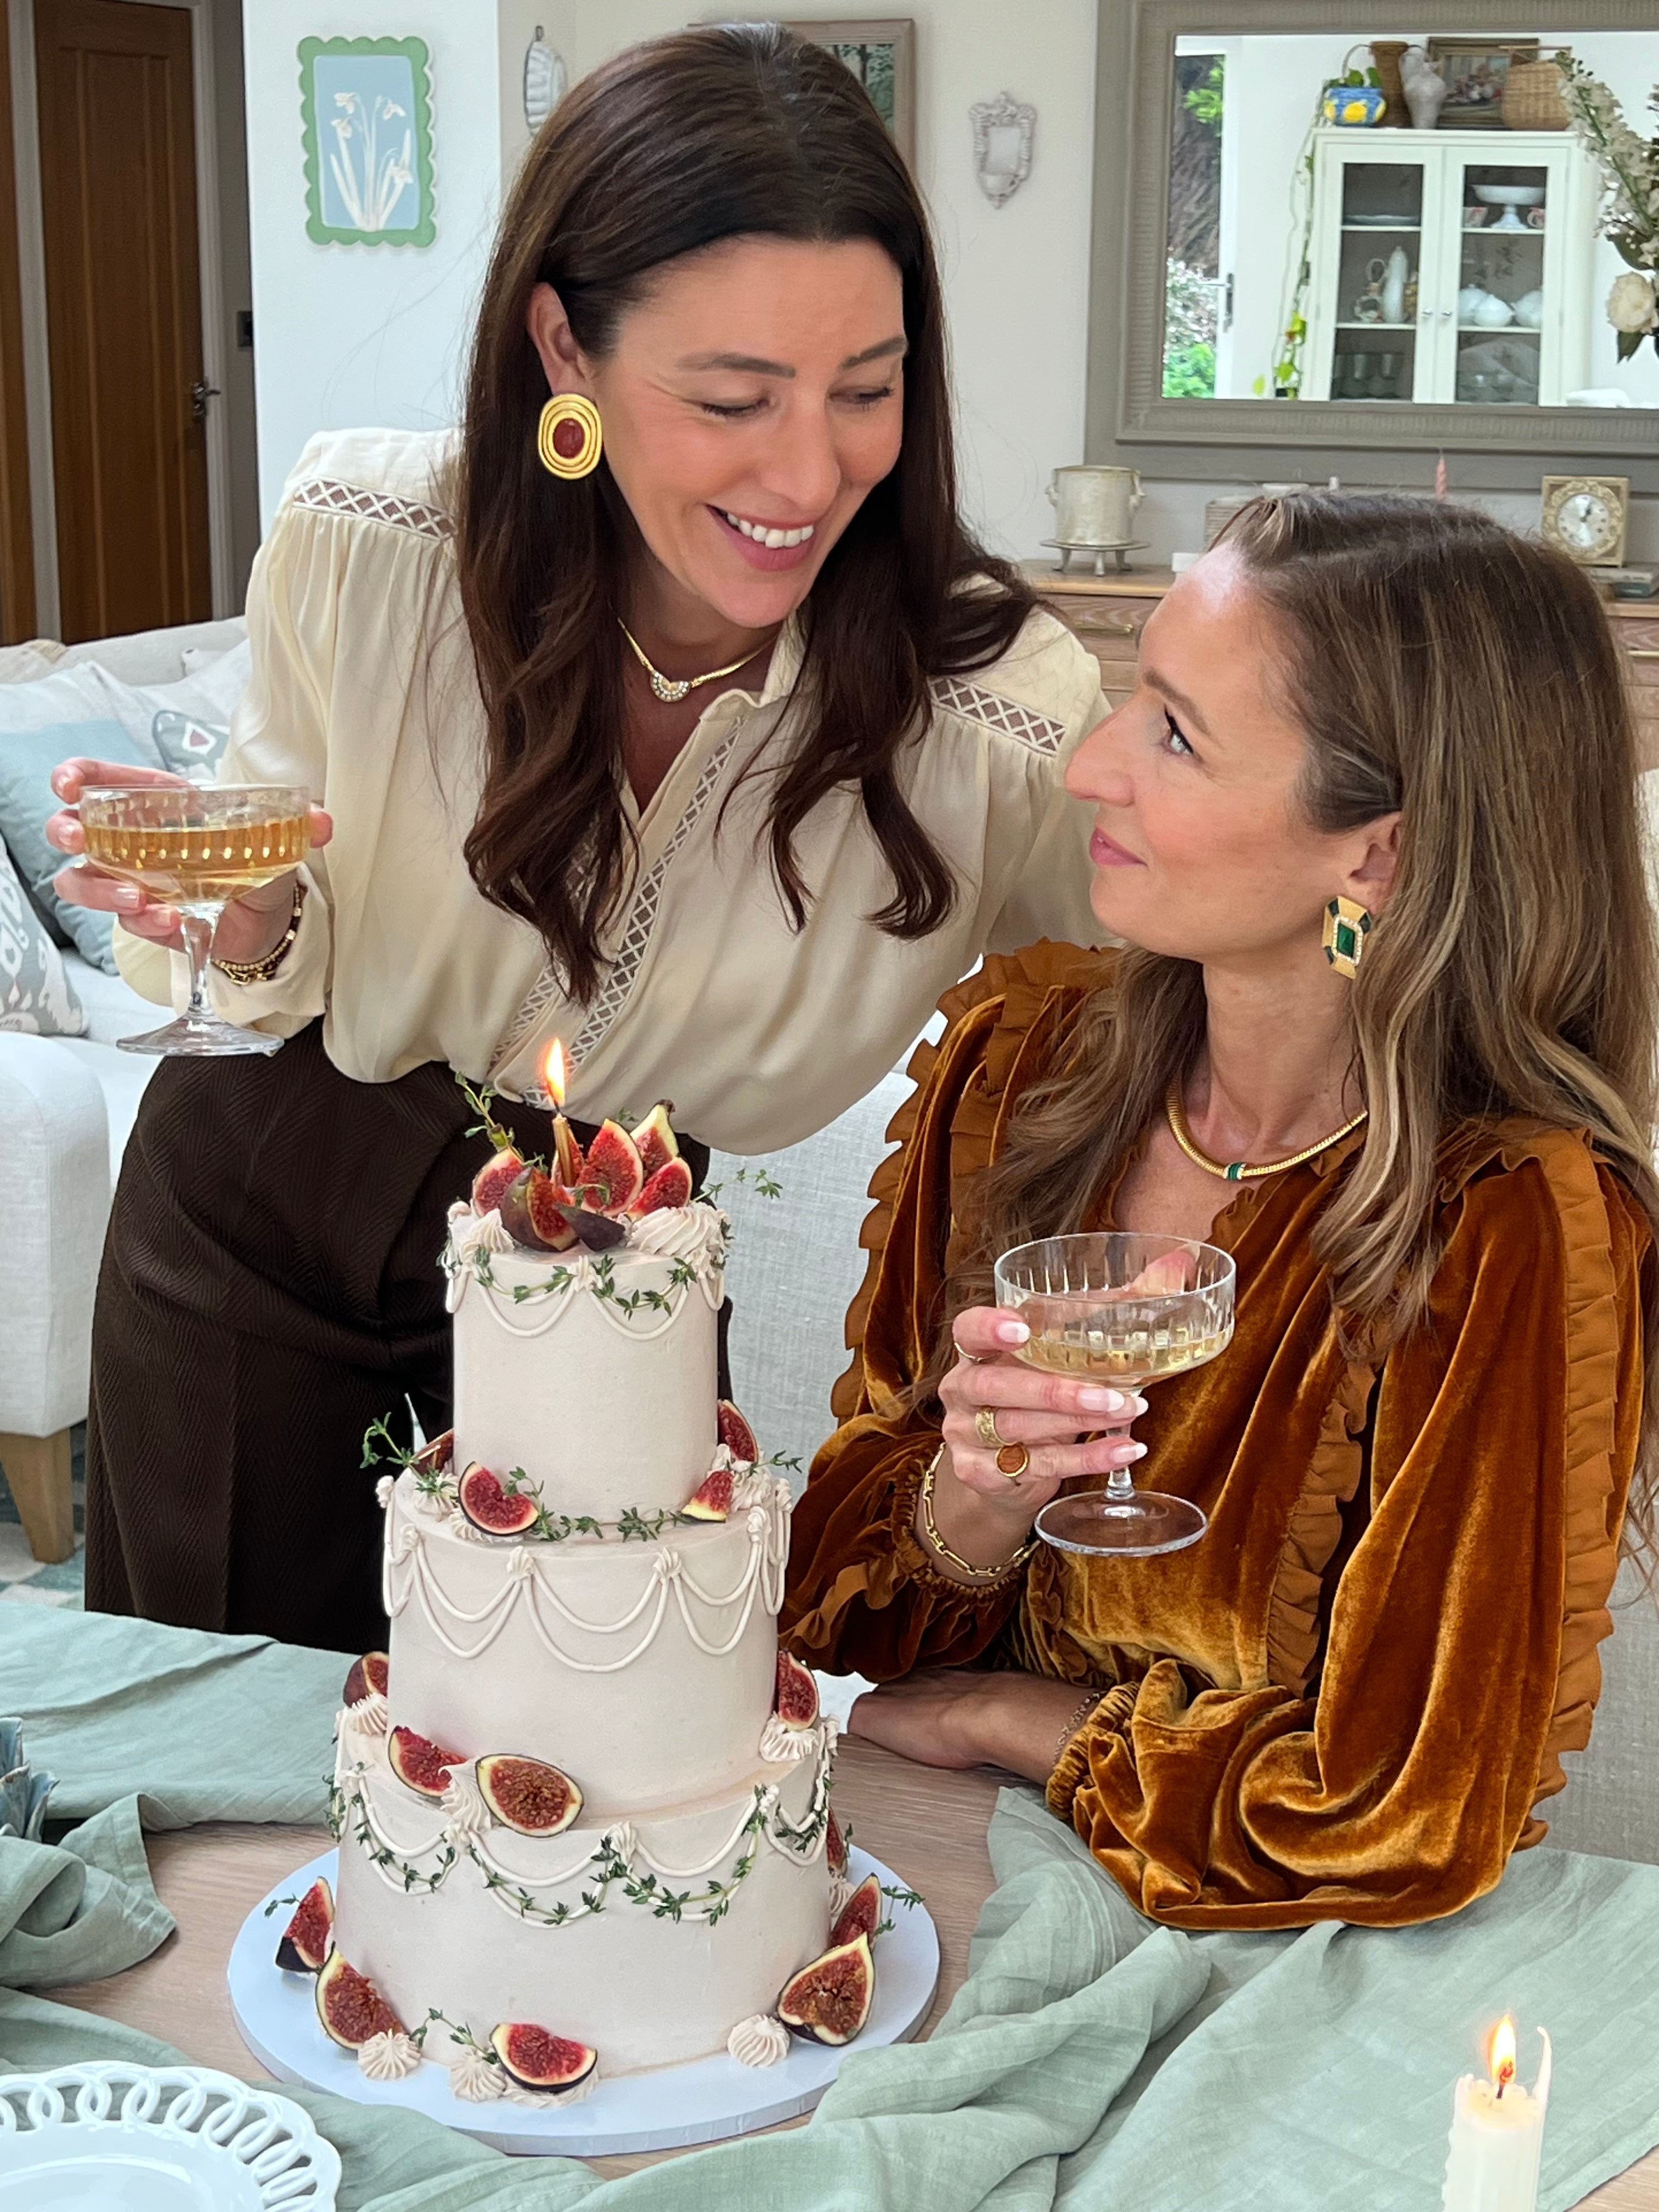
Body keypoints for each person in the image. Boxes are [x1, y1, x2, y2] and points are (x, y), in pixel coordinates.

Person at [45, 25, 1104, 1650]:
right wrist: (247, 920)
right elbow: (279, 921)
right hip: (256, 1217)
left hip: (627, 1275)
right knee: (224, 1753)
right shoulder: (369, 547)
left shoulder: (996, 713)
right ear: (566, 349)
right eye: (732, 398)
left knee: (618, 1740)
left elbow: (1142, 1005)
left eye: (866, 390)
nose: (809, 472)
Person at [782, 493, 1659, 1929]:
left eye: (1177, 736)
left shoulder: (1512, 1224)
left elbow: (1410, 1812)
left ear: (1375, 856)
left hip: (1266, 1952)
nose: (1091, 767)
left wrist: (1022, 1721)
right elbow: (833, 1619)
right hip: (917, 1866)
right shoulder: (1019, 1066)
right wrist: (977, 1498)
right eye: (1132, 701)